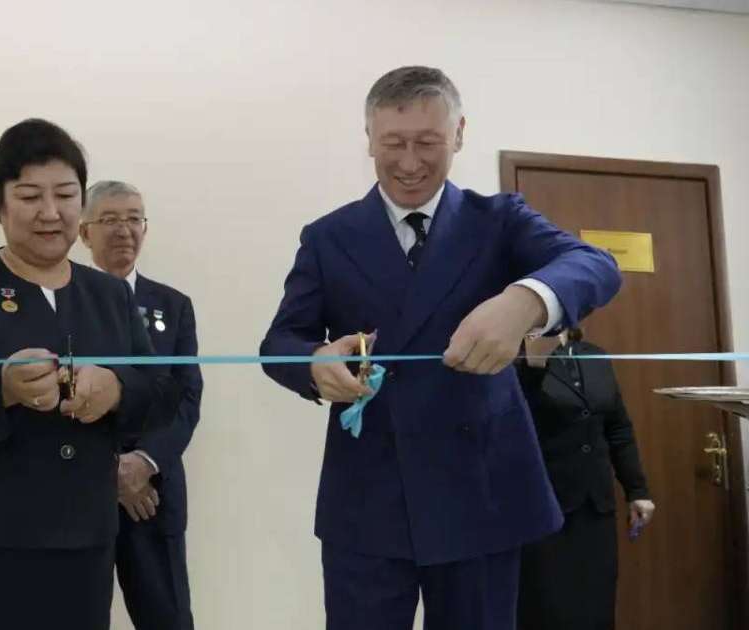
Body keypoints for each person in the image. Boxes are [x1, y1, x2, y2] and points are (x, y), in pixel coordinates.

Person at [258, 65, 622, 630]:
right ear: (369, 140)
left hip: (482, 490)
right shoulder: (328, 237)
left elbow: (596, 266)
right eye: (392, 144)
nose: (408, 163)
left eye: (427, 142)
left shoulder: (499, 220)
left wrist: (525, 300)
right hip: (368, 495)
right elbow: (280, 340)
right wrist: (314, 363)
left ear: (459, 134)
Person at [0, 119, 178, 630]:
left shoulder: (110, 294)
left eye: (66, 195)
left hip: (80, 548)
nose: (50, 213)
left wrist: (115, 389)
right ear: (0, 207)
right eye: (29, 197)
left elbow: (160, 392)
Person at [79, 181, 203, 630]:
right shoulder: (66, 301)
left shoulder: (174, 306)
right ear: (84, 232)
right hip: (77, 493)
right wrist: (109, 469)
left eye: (134, 218)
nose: (123, 230)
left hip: (154, 496)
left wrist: (142, 462)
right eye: (109, 220)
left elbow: (187, 398)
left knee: (167, 619)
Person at [516, 327, 655, 630]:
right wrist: (533, 368)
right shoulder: (513, 360)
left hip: (595, 506)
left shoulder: (595, 355)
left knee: (596, 607)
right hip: (544, 507)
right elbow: (512, 426)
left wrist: (637, 489)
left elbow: (618, 428)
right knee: (546, 609)